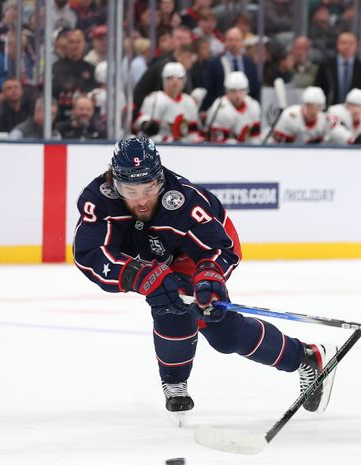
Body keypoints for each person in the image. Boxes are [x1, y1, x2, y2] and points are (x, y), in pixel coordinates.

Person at [72, 136, 337, 418]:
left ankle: (307, 357)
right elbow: (90, 253)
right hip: (158, 256)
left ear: (160, 179)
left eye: (149, 187)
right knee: (166, 300)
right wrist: (138, 275)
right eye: (130, 190)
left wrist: (209, 277)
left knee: (220, 330)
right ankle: (175, 382)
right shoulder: (98, 200)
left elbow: (218, 248)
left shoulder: (184, 201)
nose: (142, 200)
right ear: (114, 183)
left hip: (203, 249)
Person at [134, 62, 203, 142]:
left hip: (183, 148)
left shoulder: (189, 101)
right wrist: (146, 125)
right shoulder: (154, 99)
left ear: (184, 81)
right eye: (170, 78)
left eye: (179, 78)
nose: (175, 82)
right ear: (164, 80)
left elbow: (193, 131)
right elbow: (140, 124)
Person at [201, 26, 261, 111]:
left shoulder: (250, 63)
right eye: (231, 40)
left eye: (237, 40)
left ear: (242, 42)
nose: (234, 43)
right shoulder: (214, 63)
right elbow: (210, 90)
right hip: (222, 109)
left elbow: (255, 88)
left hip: (246, 110)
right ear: (226, 42)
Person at [314, 31, 361, 106]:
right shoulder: (326, 66)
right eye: (343, 43)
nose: (347, 46)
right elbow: (318, 90)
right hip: (330, 110)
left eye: (351, 43)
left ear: (357, 46)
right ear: (337, 44)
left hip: (355, 111)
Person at [205, 71, 261, 144]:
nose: (237, 95)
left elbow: (255, 137)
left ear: (247, 90)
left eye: (241, 90)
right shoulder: (220, 108)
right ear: (226, 91)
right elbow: (219, 141)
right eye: (233, 91)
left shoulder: (253, 106)